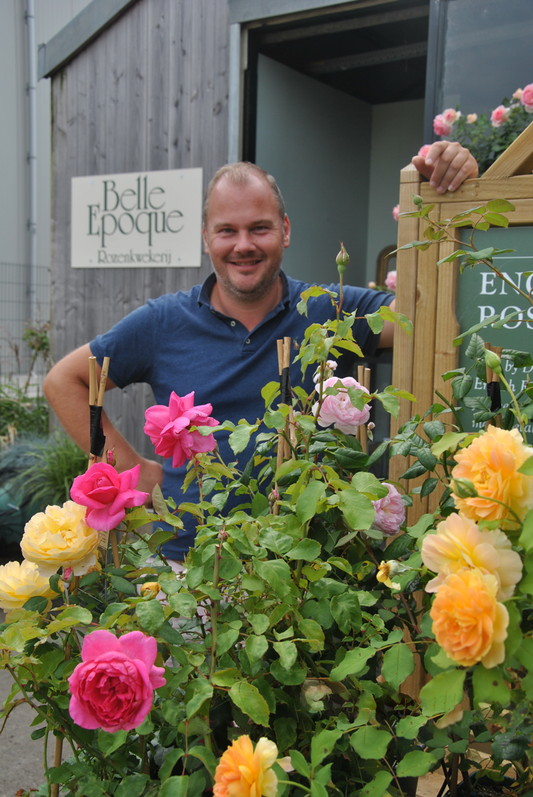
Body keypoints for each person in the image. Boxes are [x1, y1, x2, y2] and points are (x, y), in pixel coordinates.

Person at [43, 142, 478, 560]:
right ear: (206, 238)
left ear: (285, 231)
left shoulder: (333, 309)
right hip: (189, 564)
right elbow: (66, 380)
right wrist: (131, 467)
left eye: (259, 228)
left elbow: (428, 321)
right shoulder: (161, 324)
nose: (243, 244)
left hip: (312, 566)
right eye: (227, 230)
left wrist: (454, 204)